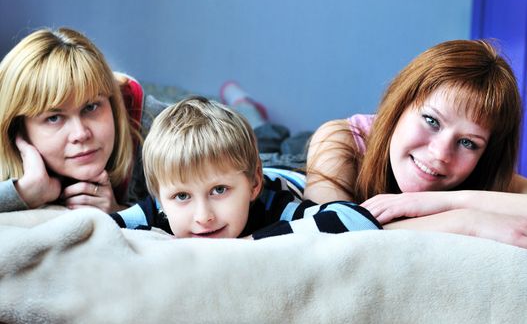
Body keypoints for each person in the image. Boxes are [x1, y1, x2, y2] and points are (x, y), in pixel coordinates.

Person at [304, 39, 527, 248]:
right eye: (432, 121)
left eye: (468, 143)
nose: (440, 154)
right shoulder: (341, 139)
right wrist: (466, 222)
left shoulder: (485, 173)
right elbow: (322, 239)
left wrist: (454, 201)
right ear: (400, 105)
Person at [111, 96, 381, 239]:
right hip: (247, 165)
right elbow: (101, 225)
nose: (203, 216)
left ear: (253, 186)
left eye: (219, 190)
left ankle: (247, 107)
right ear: (160, 199)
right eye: (182, 196)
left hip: (287, 171)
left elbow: (357, 219)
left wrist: (251, 243)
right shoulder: (160, 208)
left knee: (289, 143)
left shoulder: (275, 208)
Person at [0, 27, 167, 213]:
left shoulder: (160, 126)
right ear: (17, 128)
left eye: (91, 107)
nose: (80, 134)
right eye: (54, 118)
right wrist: (25, 192)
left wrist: (121, 212)